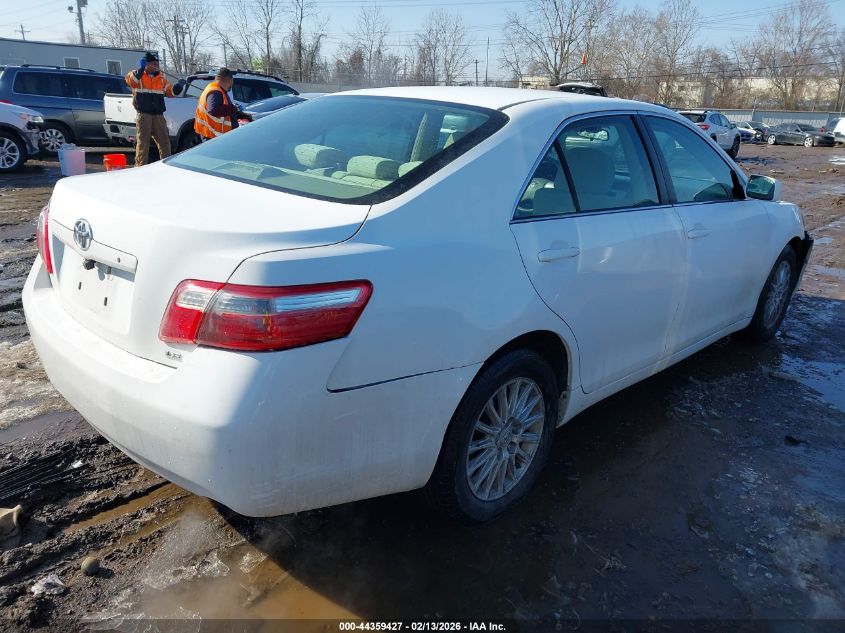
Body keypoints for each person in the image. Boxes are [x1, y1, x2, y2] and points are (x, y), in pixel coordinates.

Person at [124, 52, 184, 166]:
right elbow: (132, 82)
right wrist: (140, 70)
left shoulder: (161, 78)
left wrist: (179, 87)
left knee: (165, 142)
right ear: (146, 64)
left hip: (158, 115)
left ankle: (167, 166)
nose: (156, 66)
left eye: (157, 64)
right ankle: (140, 167)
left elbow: (170, 92)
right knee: (143, 144)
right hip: (143, 115)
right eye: (153, 63)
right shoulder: (136, 75)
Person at [194, 68, 246, 141]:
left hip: (211, 133)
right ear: (229, 80)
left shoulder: (214, 89)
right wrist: (233, 108)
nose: (232, 84)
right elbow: (213, 110)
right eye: (232, 81)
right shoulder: (215, 91)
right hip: (212, 135)